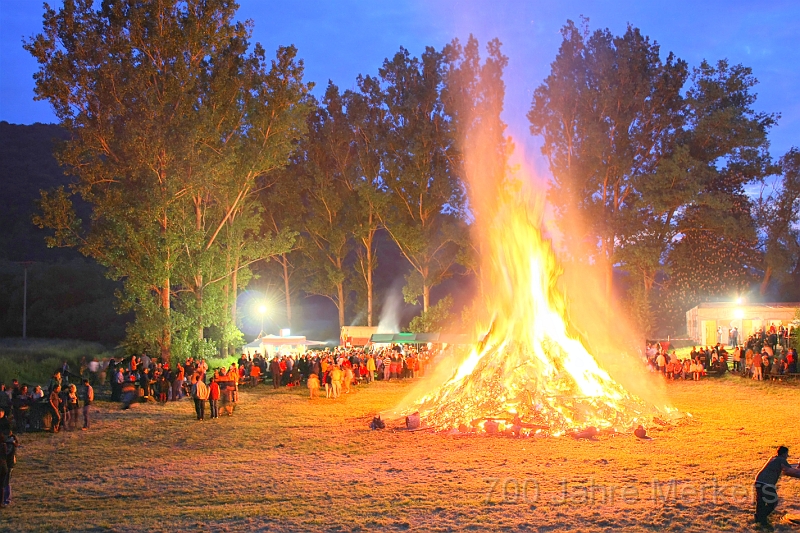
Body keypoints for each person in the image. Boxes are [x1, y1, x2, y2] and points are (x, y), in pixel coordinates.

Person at [754, 446, 800, 528]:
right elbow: (789, 470)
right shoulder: (781, 459)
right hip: (766, 483)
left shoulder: (773, 458)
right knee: (773, 502)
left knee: (761, 501)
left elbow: (786, 469)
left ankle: (759, 518)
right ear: (783, 454)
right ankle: (761, 517)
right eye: (787, 454)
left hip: (758, 480)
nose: (787, 455)